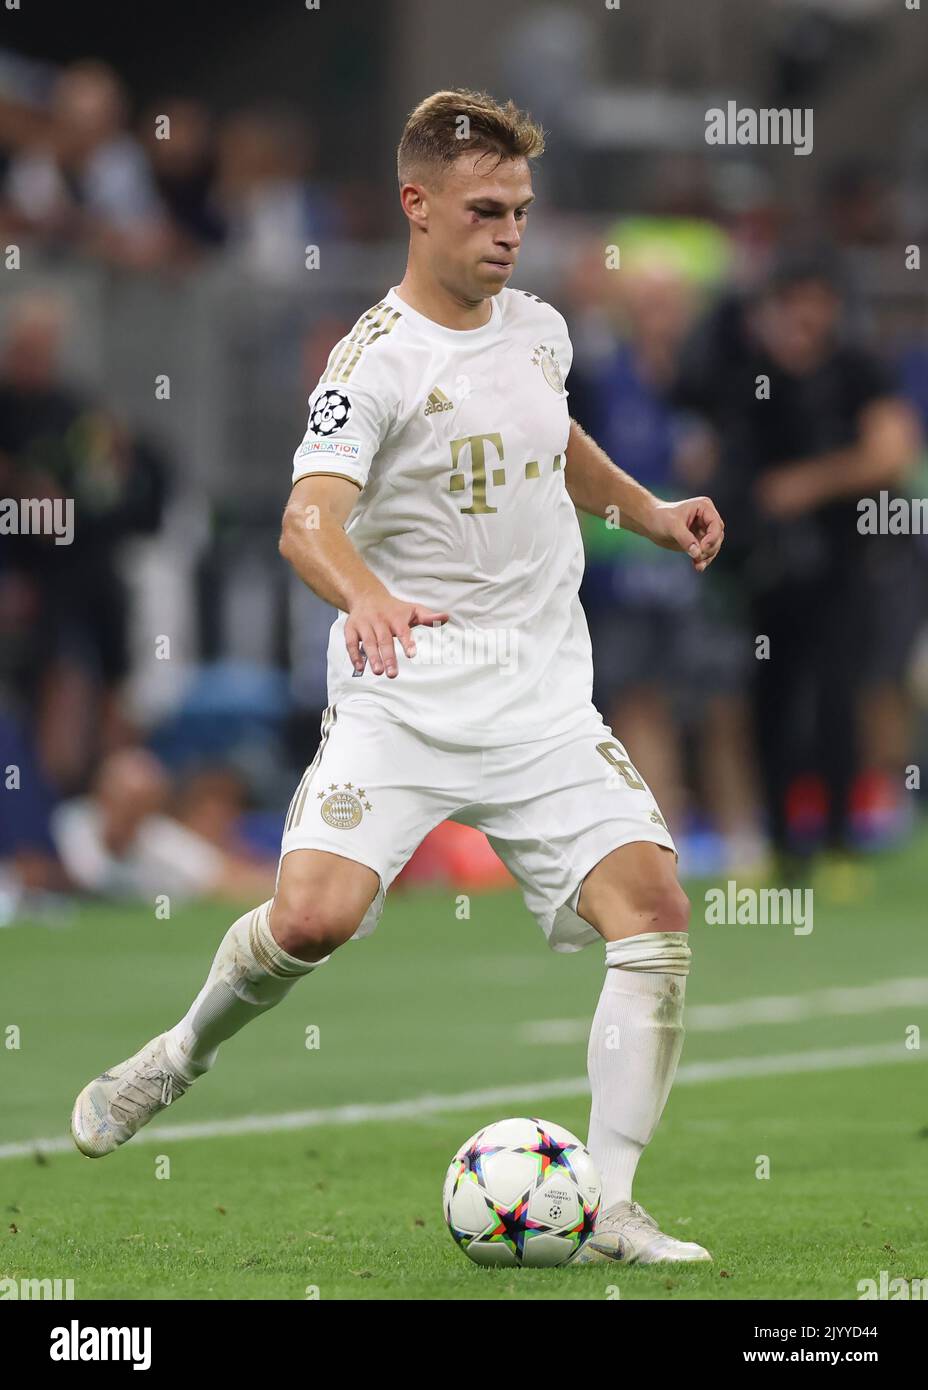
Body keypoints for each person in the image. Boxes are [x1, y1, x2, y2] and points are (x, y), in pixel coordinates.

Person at [70, 90, 724, 1266]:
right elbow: (304, 520)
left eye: (521, 209)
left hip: (537, 699)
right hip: (407, 693)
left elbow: (552, 438)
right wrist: (364, 592)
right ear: (417, 207)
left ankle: (612, 1203)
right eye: (485, 210)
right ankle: (176, 1055)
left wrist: (645, 506)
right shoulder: (368, 360)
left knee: (658, 912)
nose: (509, 232)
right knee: (314, 921)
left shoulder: (536, 326)